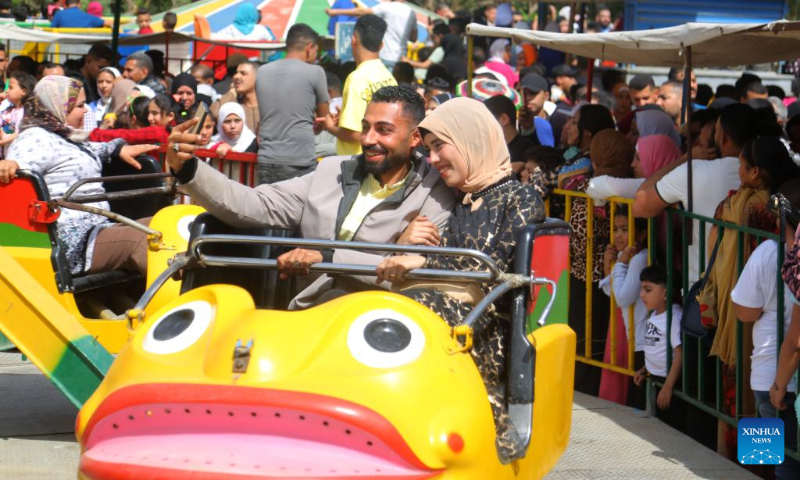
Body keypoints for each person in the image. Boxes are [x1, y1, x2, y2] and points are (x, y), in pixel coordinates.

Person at [167, 86, 455, 308]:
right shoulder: (331, 171)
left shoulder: (435, 192)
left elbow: (410, 273)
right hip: (306, 315)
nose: (368, 139)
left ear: (415, 137)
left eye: (384, 130)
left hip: (374, 324)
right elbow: (253, 205)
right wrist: (187, 167)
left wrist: (326, 256)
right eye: (366, 127)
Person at [375, 97, 545, 463]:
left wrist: (423, 260)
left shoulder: (521, 197)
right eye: (430, 149)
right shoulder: (462, 203)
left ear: (471, 140)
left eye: (440, 147)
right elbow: (444, 256)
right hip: (454, 313)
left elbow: (496, 268)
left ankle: (495, 421)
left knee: (416, 308)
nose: (433, 159)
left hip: (490, 324)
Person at [0, 76, 156, 276]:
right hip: (71, 240)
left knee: (163, 224)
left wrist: (117, 150)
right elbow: (19, 170)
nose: (86, 110)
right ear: (57, 107)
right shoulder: (35, 138)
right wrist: (9, 165)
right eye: (80, 105)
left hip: (96, 228)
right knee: (146, 241)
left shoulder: (65, 136)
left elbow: (88, 149)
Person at [633, 103, 759, 283]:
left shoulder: (694, 170)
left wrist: (685, 159)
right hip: (753, 290)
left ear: (722, 136)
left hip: (704, 287)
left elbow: (640, 206)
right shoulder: (766, 173)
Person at [732, 181, 800, 480]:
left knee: (777, 463)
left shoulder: (767, 253)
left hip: (769, 376)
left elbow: (744, 312)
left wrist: (779, 385)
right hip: (779, 378)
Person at [567, 128, 632, 397]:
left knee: (586, 348)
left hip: (587, 279)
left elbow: (577, 238)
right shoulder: (632, 188)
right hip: (615, 276)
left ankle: (587, 393)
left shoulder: (585, 189)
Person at [256, 23, 329, 184]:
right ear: (309, 47)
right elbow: (324, 118)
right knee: (299, 209)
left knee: (266, 208)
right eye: (316, 51)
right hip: (299, 161)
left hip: (266, 160)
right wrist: (318, 124)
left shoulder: (262, 72)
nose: (316, 56)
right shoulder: (315, 72)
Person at [319, 15, 396, 156]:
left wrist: (330, 127)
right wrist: (343, 118)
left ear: (353, 40)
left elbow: (354, 135)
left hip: (356, 161)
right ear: (381, 46)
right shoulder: (388, 77)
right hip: (380, 157)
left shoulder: (357, 78)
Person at [599, 206, 648, 407]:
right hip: (637, 340)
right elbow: (613, 292)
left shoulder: (638, 259)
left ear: (642, 234)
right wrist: (608, 267)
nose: (618, 235)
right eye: (616, 229)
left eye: (625, 230)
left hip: (644, 341)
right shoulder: (633, 258)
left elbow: (622, 299)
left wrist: (619, 263)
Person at [633, 265, 683, 418]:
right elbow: (656, 346)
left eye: (648, 290)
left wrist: (668, 387)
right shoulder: (654, 314)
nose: (641, 295)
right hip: (655, 380)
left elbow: (680, 355)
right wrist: (645, 369)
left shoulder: (673, 317)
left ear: (665, 293)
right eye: (641, 289)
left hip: (670, 383)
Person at [588, 134, 682, 201]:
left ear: (654, 160)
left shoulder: (656, 185)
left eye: (638, 158)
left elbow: (597, 184)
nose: (632, 164)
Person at [326, 0, 416, 68]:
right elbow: (413, 38)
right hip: (400, 58)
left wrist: (335, 12)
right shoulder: (411, 13)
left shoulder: (388, 7)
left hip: (384, 55)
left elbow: (361, 12)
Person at [484, 94, 534, 172]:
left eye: (486, 120)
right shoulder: (490, 148)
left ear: (504, 119)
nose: (482, 125)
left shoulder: (526, 150)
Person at [210, 61, 259, 135]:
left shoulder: (267, 107)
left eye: (243, 73)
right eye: (236, 73)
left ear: (257, 77)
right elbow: (213, 114)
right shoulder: (235, 105)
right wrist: (231, 93)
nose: (236, 76)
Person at [0, 71, 36, 158]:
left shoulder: (24, 112)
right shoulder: (7, 108)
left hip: (13, 155)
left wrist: (1, 142)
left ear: (23, 91)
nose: (6, 91)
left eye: (10, 88)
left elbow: (18, 133)